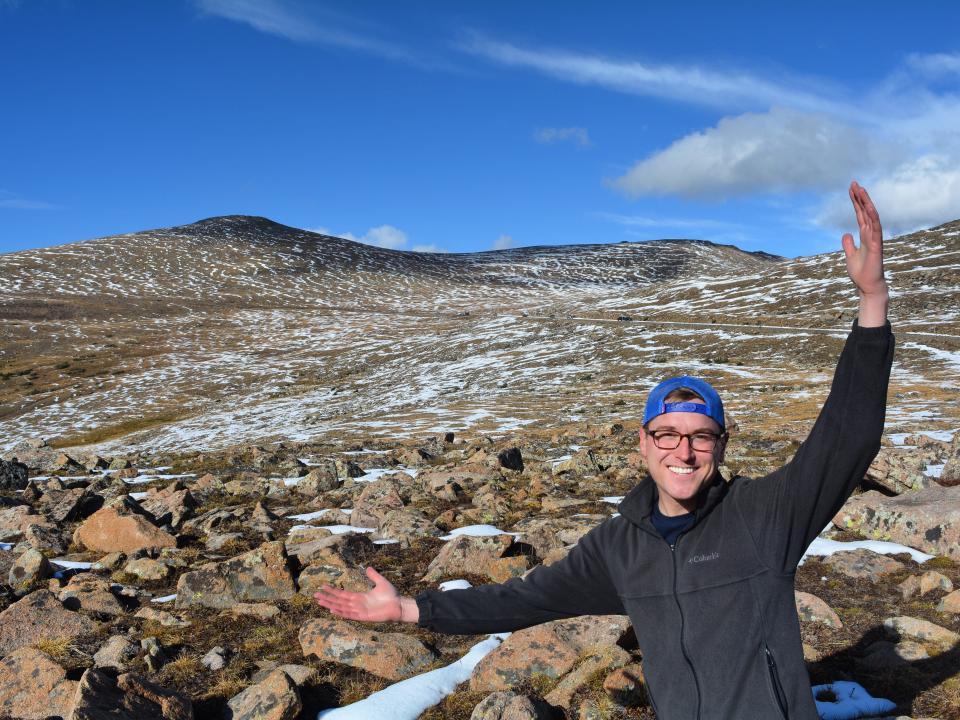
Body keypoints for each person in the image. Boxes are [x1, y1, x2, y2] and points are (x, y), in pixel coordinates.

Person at [314, 181, 893, 720]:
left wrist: (872, 302)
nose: (683, 452)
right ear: (644, 443)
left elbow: (849, 435)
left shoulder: (764, 517)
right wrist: (411, 610)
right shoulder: (619, 546)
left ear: (720, 444)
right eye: (668, 434)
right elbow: (523, 600)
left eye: (700, 436)